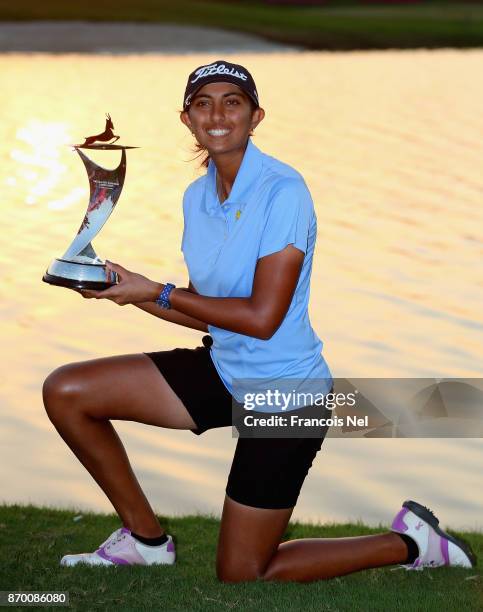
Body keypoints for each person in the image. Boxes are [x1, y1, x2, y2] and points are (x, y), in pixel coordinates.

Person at [42, 60, 476, 580]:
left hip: (287, 396)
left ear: (255, 116)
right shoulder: (197, 196)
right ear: (187, 119)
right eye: (204, 104)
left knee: (245, 574)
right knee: (68, 391)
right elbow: (206, 308)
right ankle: (145, 540)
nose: (217, 115)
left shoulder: (283, 191)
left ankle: (409, 543)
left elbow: (262, 319)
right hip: (226, 370)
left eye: (233, 103)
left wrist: (156, 290)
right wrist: (127, 289)